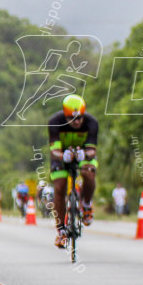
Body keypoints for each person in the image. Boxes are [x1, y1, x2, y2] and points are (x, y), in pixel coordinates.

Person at [47, 94, 99, 249]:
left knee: (89, 172)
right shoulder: (55, 122)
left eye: (80, 118)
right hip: (61, 156)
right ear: (65, 115)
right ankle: (61, 231)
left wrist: (85, 154)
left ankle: (86, 203)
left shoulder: (91, 123)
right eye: (73, 118)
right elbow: (54, 151)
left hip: (83, 153)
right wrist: (64, 155)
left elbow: (91, 150)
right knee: (59, 187)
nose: (77, 122)